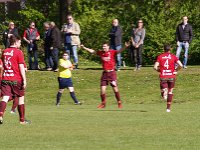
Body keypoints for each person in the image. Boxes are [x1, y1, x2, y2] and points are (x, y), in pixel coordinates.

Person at [81, 42, 130, 108]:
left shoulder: (112, 52)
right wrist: (84, 48)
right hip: (105, 73)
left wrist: (125, 47)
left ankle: (119, 102)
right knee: (102, 89)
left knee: (115, 89)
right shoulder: (101, 53)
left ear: (108, 47)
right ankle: (103, 103)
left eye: (105, 46)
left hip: (112, 73)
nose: (104, 48)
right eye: (103, 46)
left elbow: (119, 51)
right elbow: (93, 51)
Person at [0, 35, 30, 124]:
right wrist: (24, 79)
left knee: (5, 97)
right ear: (16, 42)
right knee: (21, 99)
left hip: (5, 78)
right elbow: (21, 66)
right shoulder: (18, 52)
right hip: (16, 79)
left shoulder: (4, 52)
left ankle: (0, 114)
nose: (20, 44)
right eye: (20, 42)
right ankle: (22, 120)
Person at [154, 44, 183, 112]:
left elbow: (155, 67)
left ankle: (164, 91)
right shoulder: (173, 57)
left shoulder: (160, 56)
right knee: (170, 91)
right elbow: (181, 65)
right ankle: (168, 108)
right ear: (170, 49)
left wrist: (159, 70)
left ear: (163, 49)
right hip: (171, 76)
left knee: (163, 90)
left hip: (163, 76)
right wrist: (176, 70)